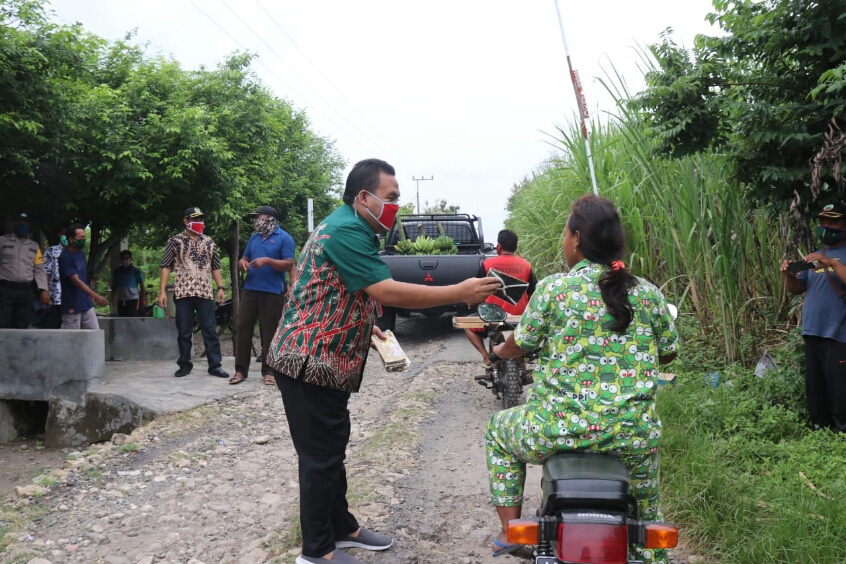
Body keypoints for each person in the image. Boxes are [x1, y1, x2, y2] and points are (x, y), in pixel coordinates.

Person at [266, 158, 501, 564]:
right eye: (390, 198)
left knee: (332, 449)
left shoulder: (352, 228)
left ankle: (342, 527)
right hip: (308, 360)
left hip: (325, 360)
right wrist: (458, 291)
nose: (395, 207)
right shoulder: (345, 230)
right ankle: (316, 552)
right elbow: (386, 290)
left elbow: (339, 288)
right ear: (364, 197)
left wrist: (364, 325)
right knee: (320, 457)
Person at [484, 195, 679, 564]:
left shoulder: (554, 289)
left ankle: (509, 532)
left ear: (576, 239)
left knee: (497, 432)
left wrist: (497, 352)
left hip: (555, 429)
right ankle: (651, 556)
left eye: (564, 234)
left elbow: (519, 344)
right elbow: (668, 352)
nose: (563, 241)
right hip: (632, 435)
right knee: (648, 518)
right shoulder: (648, 293)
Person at [781, 201, 846, 431]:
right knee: (816, 389)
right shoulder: (816, 256)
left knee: (840, 390)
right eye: (822, 221)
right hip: (813, 331)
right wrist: (789, 275)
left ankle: (841, 434)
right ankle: (820, 431)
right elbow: (797, 289)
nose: (826, 226)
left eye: (833, 221)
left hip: (839, 335)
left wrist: (831, 263)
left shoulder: (834, 257)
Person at [157, 207, 229, 379]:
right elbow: (166, 266)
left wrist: (220, 288)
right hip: (183, 292)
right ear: (186, 221)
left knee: (209, 329)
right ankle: (184, 364)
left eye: (201, 219)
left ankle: (215, 366)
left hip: (205, 292)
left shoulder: (209, 242)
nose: (198, 222)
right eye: (194, 219)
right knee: (184, 330)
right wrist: (162, 291)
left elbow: (215, 266)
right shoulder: (175, 241)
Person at [229, 205, 296, 386]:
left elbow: (289, 264)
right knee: (242, 327)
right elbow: (244, 258)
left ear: (270, 219)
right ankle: (240, 370)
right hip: (251, 289)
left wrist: (267, 261)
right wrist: (242, 263)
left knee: (270, 331)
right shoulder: (254, 238)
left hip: (272, 291)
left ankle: (269, 371)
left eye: (259, 217)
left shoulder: (284, 238)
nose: (256, 221)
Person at [464, 229, 537, 368]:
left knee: (468, 326)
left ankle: (486, 357)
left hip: (492, 316)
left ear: (498, 247)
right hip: (519, 318)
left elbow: (477, 290)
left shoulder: (487, 264)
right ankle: (520, 359)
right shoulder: (526, 265)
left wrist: (473, 303)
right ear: (515, 247)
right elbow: (533, 293)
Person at [0, 213, 50, 328]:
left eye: (26, 223)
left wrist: (44, 290)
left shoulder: (34, 246)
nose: (23, 225)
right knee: (3, 322)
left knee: (22, 323)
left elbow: (39, 269)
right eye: (20, 223)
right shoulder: (2, 242)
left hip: (25, 291)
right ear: (13, 225)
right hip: (5, 290)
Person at [59, 224, 109, 329]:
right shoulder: (65, 256)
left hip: (86, 303)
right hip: (72, 304)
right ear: (71, 239)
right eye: (81, 237)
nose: (83, 240)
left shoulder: (81, 254)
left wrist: (89, 295)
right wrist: (95, 295)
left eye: (84, 237)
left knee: (95, 333)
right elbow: (75, 281)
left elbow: (83, 277)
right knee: (73, 337)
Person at [42, 227, 67, 328]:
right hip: (56, 295)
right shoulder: (52, 250)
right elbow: (46, 272)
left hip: (72, 295)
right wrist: (45, 290)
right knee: (54, 322)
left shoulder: (76, 252)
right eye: (64, 234)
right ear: (59, 235)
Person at [111, 250, 146, 317]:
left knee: (132, 317)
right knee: (122, 318)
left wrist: (143, 299)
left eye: (126, 258)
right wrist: (113, 297)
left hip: (133, 299)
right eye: (122, 258)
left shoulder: (136, 271)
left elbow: (142, 286)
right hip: (121, 299)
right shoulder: (117, 271)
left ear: (130, 259)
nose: (124, 260)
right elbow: (114, 285)